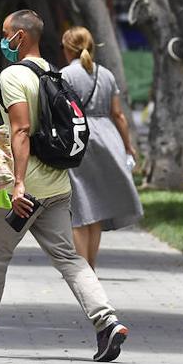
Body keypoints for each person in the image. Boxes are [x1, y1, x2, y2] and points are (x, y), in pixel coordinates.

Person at [0, 10, 129, 364]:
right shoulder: (52, 71)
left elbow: (20, 130)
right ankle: (107, 322)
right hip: (58, 186)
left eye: (5, 33)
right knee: (70, 258)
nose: (3, 40)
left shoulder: (13, 74)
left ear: (20, 36)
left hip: (24, 192)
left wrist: (16, 185)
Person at [59, 27, 143, 270]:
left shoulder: (65, 74)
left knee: (78, 208)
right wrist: (128, 147)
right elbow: (118, 114)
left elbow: (62, 112)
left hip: (78, 139)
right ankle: (91, 266)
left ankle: (82, 269)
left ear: (67, 48)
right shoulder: (106, 74)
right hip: (107, 139)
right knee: (95, 209)